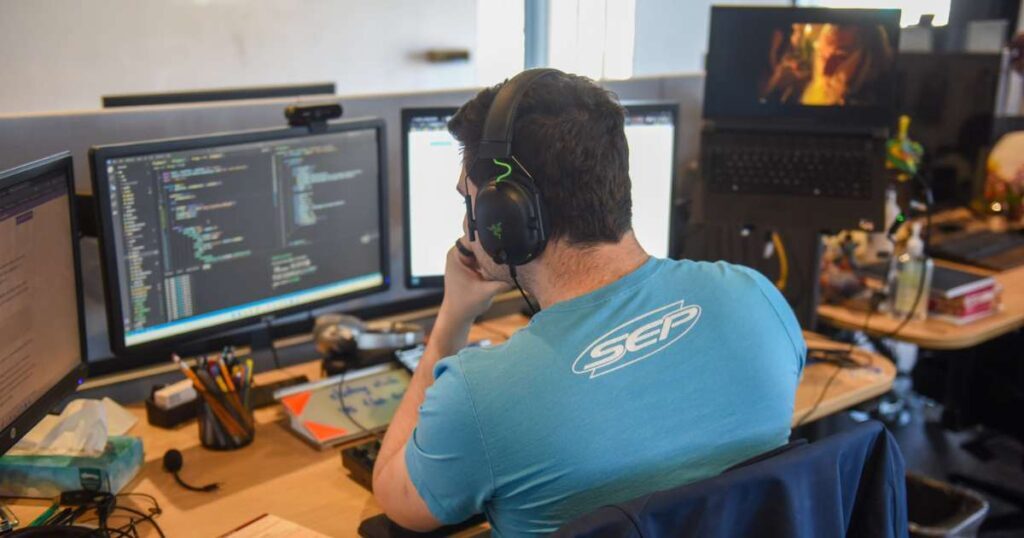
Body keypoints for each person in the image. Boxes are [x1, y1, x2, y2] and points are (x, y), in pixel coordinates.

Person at [372, 70, 806, 537]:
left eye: (472, 202)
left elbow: (398, 503)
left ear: (507, 216)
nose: (469, 223)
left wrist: (450, 322)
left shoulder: (482, 396)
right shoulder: (756, 299)